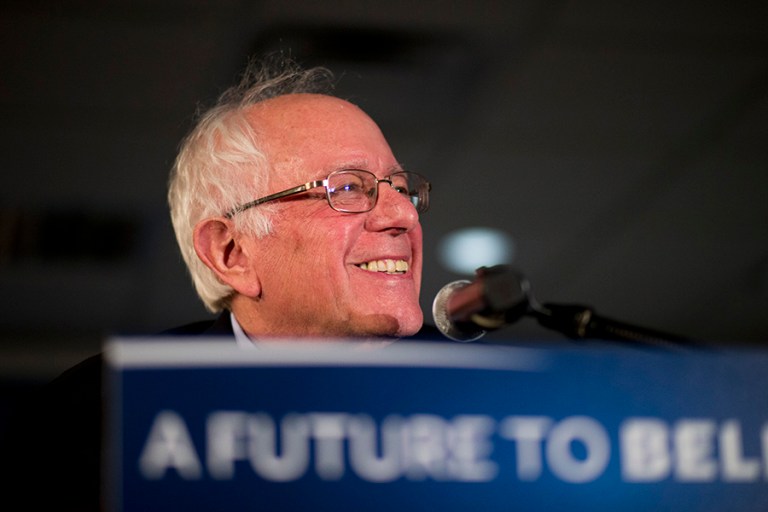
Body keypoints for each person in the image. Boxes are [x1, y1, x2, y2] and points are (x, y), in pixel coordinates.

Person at [3, 55, 439, 511]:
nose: (404, 214)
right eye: (347, 188)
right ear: (232, 253)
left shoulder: (495, 395)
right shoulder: (99, 419)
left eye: (399, 186)